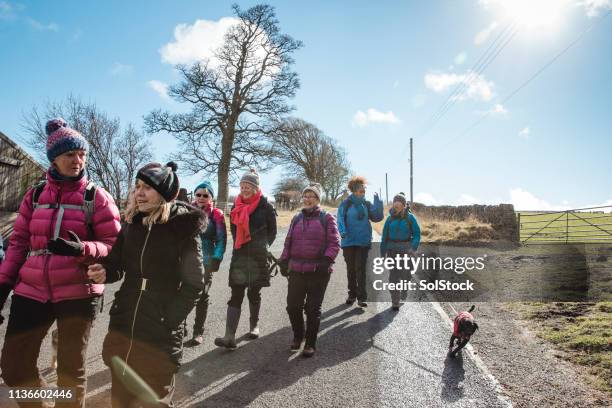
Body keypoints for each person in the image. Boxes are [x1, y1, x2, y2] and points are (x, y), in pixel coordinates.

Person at [0, 118, 121, 408]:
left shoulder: (97, 197)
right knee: (13, 367)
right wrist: (2, 285)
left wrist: (82, 248)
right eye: (70, 154)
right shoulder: (36, 195)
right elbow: (17, 245)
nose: (77, 161)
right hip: (32, 291)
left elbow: (114, 246)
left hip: (78, 294)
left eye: (82, 155)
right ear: (54, 158)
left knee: (70, 371)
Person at [88, 161, 205, 407]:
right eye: (137, 186)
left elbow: (195, 284)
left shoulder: (182, 227)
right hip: (125, 321)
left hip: (160, 330)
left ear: (163, 194)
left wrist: (169, 320)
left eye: (147, 188)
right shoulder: (131, 223)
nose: (139, 193)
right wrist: (104, 271)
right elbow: (116, 264)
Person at [214, 169, 277, 349]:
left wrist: (263, 246)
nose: (244, 189)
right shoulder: (236, 205)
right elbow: (234, 230)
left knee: (254, 293)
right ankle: (229, 336)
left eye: (248, 186)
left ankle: (254, 326)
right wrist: (240, 244)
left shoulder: (266, 206)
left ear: (255, 188)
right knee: (236, 293)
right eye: (242, 186)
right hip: (240, 255)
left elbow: (272, 232)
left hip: (258, 256)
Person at [279, 183, 340, 357]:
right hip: (297, 270)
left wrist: (326, 261)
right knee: (293, 306)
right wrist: (284, 260)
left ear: (318, 199)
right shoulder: (296, 218)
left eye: (311, 196)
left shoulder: (327, 218)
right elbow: (288, 241)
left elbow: (335, 242)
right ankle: (299, 335)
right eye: (305, 196)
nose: (307, 199)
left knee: (313, 309)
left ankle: (310, 343)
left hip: (318, 271)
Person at [188, 181, 227, 345]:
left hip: (206, 261)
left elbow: (221, 239)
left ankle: (198, 332)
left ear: (211, 197)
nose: (201, 198)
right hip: (186, 260)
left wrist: (217, 258)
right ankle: (180, 326)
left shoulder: (216, 214)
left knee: (202, 296)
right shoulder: (187, 210)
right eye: (198, 195)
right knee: (183, 294)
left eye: (206, 195)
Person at [337, 176, 383, 308]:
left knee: (361, 269)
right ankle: (352, 294)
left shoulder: (366, 204)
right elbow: (339, 218)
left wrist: (378, 203)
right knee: (351, 269)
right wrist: (343, 231)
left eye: (363, 191)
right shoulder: (345, 204)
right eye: (360, 190)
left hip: (363, 241)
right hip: (348, 241)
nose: (362, 193)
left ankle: (362, 298)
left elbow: (377, 217)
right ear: (354, 190)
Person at [380, 192, 421, 310]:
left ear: (403, 205)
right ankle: (395, 301)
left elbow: (417, 234)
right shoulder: (389, 219)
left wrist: (413, 247)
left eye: (399, 202)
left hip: (406, 251)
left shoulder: (410, 218)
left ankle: (404, 289)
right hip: (392, 251)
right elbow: (384, 237)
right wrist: (382, 253)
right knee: (393, 276)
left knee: (406, 275)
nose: (396, 204)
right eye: (395, 202)